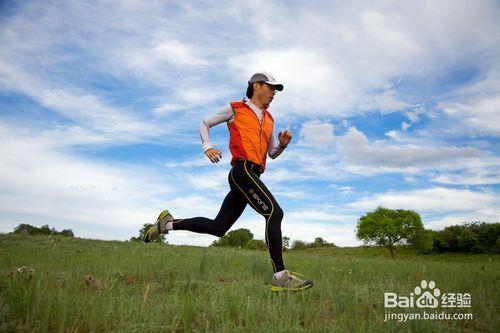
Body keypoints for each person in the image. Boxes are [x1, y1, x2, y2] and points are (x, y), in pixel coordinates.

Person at [144, 72, 313, 292]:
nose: (273, 93)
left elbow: (271, 154)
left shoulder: (269, 119)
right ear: (256, 86)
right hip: (241, 171)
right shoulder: (236, 108)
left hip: (254, 175)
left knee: (218, 227)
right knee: (275, 213)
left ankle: (167, 224)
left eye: (275, 90)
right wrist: (208, 146)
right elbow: (205, 123)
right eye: (271, 88)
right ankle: (280, 276)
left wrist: (282, 145)